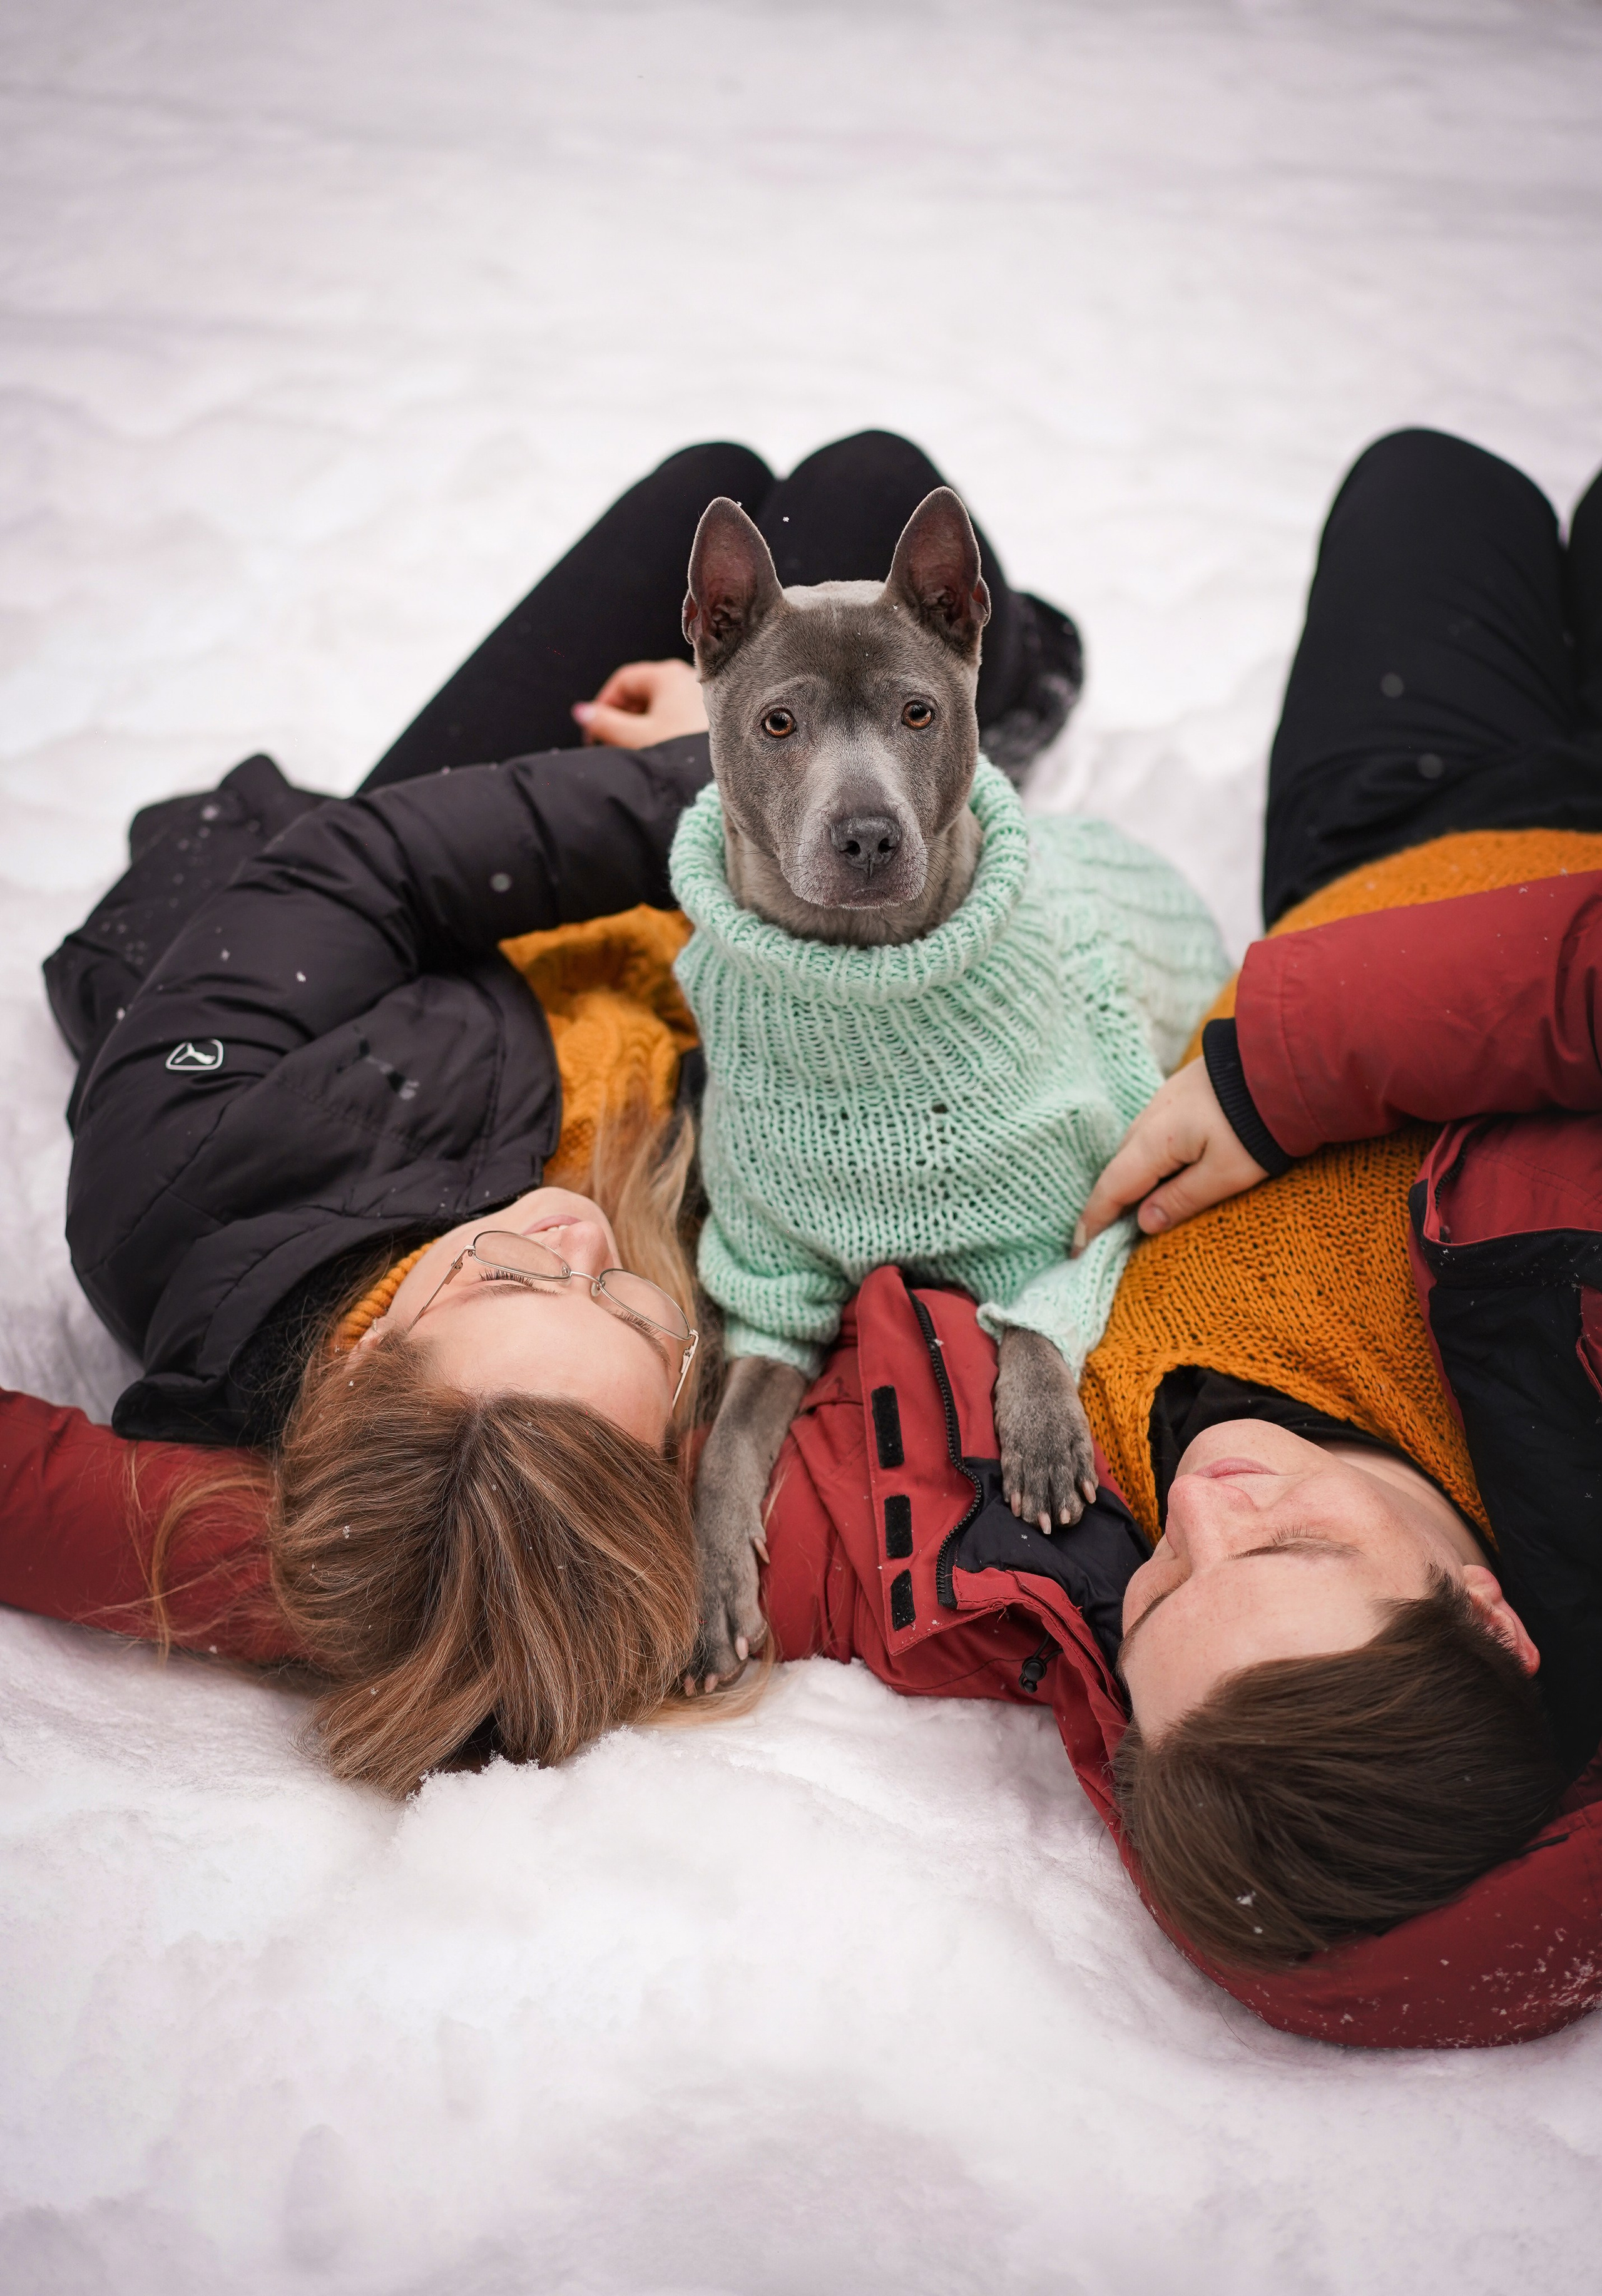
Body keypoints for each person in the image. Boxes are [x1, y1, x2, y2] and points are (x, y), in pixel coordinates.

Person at [36, 432, 1083, 1794]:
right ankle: (988, 691)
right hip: (703, 937)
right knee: (859, 486)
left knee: (716, 476)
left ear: (367, 1361)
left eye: (508, 1272)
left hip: (427, 893)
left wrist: (707, 786)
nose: (577, 1237)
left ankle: (936, 704)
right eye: (630, 1313)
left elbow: (377, 870)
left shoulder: (175, 1167)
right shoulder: (557, 1441)